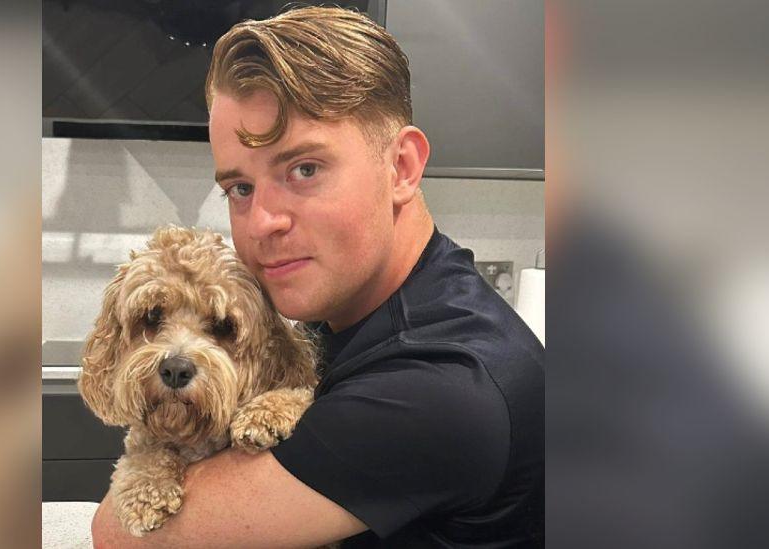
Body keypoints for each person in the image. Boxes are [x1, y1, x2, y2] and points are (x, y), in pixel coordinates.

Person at [91, 6, 544, 548]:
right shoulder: (381, 306)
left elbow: (123, 536)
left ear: (401, 166)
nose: (262, 223)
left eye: (304, 169)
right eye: (240, 188)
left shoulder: (440, 386)